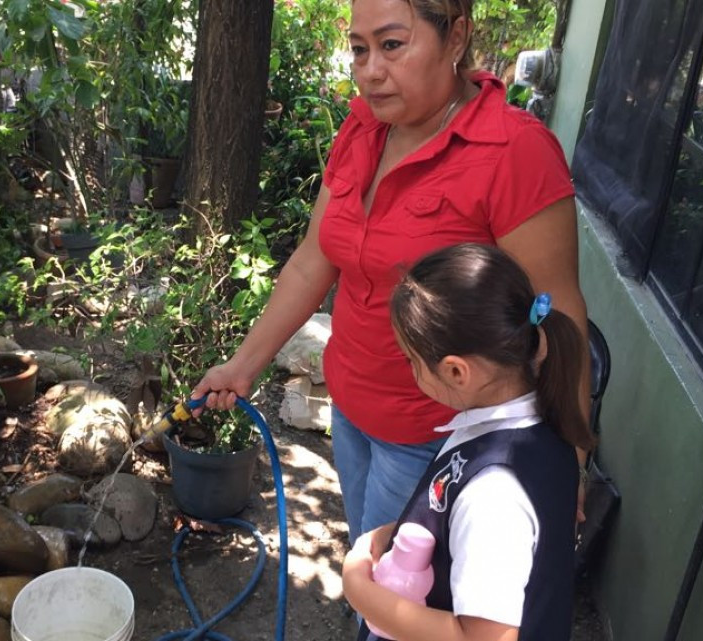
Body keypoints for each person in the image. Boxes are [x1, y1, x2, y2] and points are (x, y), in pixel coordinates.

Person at [192, 0, 589, 544]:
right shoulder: (362, 129)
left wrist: (568, 458)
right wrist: (242, 366)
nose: (370, 70)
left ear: (455, 37)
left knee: (389, 583)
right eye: (359, 49)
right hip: (351, 410)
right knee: (368, 558)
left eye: (392, 45)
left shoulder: (513, 150)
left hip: (439, 433)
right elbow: (313, 259)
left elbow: (559, 312)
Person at [342, 243, 596, 641]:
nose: (409, 369)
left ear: (456, 372)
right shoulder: (535, 425)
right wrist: (393, 533)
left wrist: (360, 592)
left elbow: (485, 636)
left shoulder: (494, 493)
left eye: (411, 360)